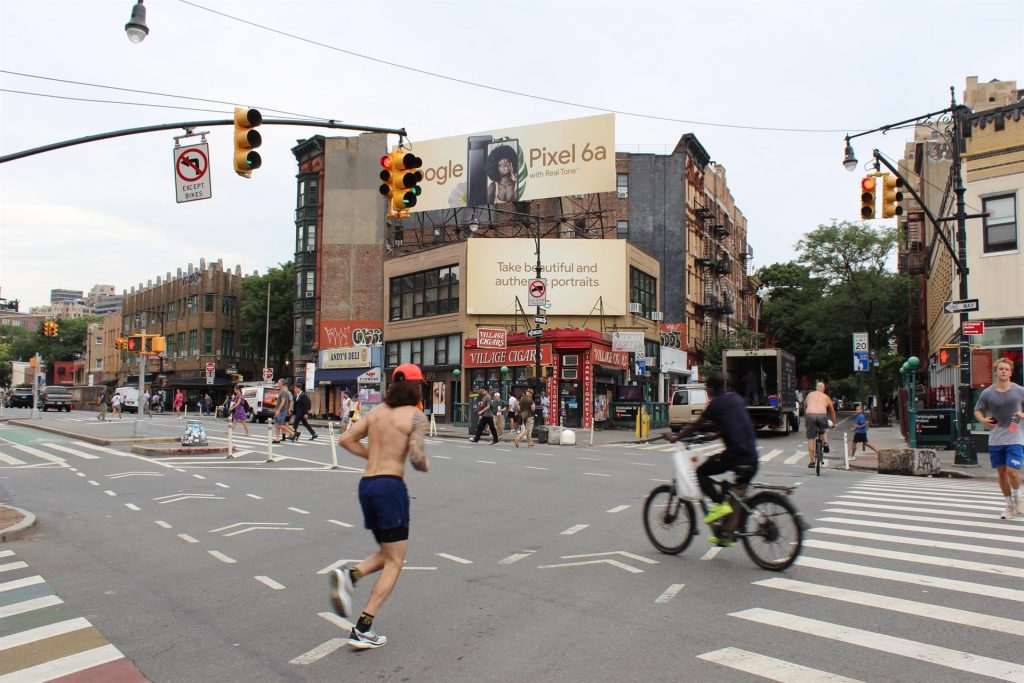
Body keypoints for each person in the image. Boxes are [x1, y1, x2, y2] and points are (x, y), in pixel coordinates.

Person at [332, 363, 429, 650]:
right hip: (390, 487)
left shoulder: (376, 413)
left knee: (387, 552)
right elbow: (416, 458)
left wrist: (371, 455)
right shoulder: (415, 416)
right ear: (415, 387)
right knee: (396, 561)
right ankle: (363, 627)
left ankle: (350, 575)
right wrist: (426, 463)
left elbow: (345, 439)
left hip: (367, 485)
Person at [668, 370, 758, 546]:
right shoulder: (735, 399)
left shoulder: (715, 405)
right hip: (752, 456)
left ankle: (718, 505)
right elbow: (737, 424)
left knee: (700, 471)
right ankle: (725, 535)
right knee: (733, 493)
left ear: (709, 388)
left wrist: (675, 437)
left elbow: (694, 426)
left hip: (736, 456)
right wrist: (716, 435)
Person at [974, 357, 1024, 520]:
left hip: (1014, 433)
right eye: (1000, 369)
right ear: (996, 372)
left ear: (1011, 372)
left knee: (1013, 472)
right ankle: (1009, 506)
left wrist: (1022, 414)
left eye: (1006, 369)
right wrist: (982, 420)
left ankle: (1018, 496)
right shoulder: (988, 392)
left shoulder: (1019, 390)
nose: (1003, 371)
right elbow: (978, 410)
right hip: (996, 437)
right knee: (1002, 473)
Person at [803, 381, 836, 467]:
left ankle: (812, 461)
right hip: (822, 415)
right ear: (823, 389)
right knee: (824, 428)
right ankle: (825, 443)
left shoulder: (809, 395)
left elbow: (805, 407)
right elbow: (832, 411)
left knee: (811, 439)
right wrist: (834, 424)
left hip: (810, 415)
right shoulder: (826, 397)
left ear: (816, 388)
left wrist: (805, 419)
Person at [273, 378, 295, 444]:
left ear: (282, 384)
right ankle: (277, 439)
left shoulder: (283, 392)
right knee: (276, 425)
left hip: (282, 411)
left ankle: (292, 433)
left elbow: (283, 402)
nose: (277, 384)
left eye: (278, 383)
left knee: (279, 425)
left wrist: (278, 410)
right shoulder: (281, 391)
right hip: (279, 410)